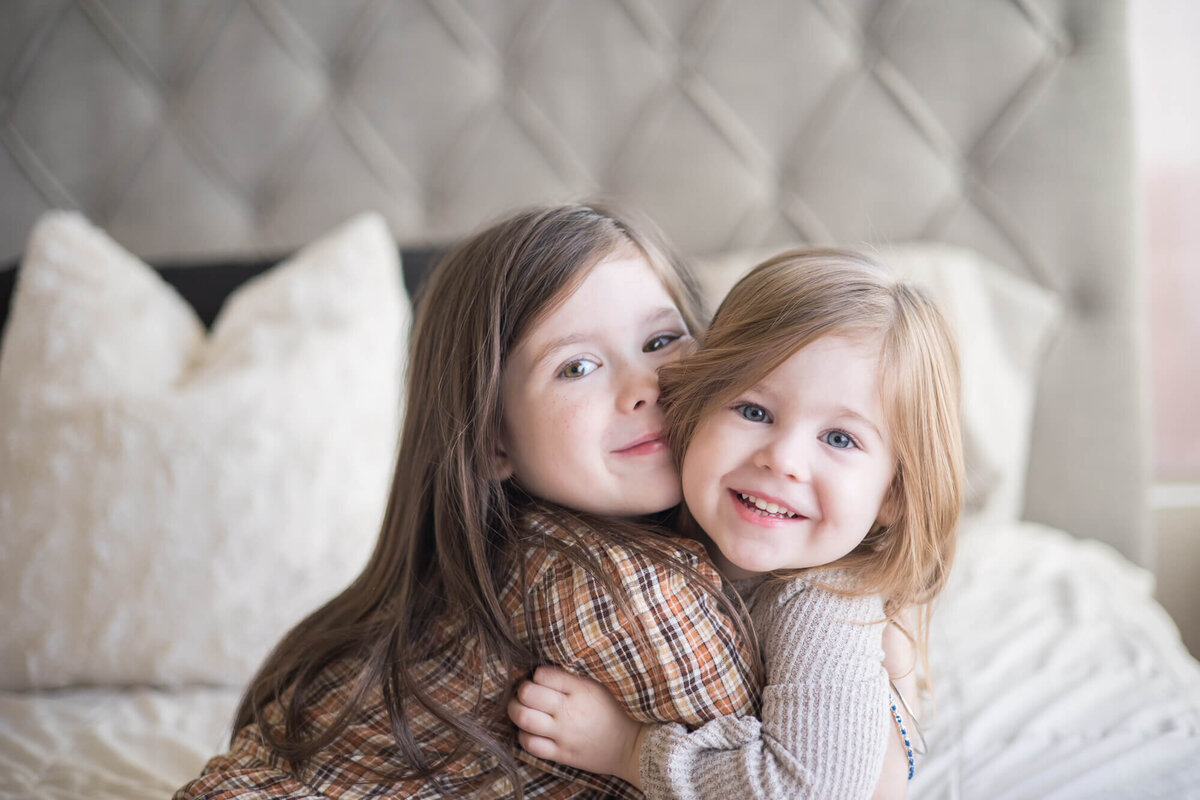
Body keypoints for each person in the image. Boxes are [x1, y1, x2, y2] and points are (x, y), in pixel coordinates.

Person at [174, 203, 762, 799]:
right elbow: (784, 781)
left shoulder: (515, 558)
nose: (644, 388)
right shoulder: (624, 588)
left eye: (661, 340)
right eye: (576, 366)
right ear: (491, 440)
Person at [507, 248, 964, 799]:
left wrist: (627, 749)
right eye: (754, 411)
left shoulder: (821, 603)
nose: (784, 459)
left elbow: (804, 790)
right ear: (697, 405)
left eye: (839, 438)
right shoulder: (662, 532)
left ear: (891, 495)